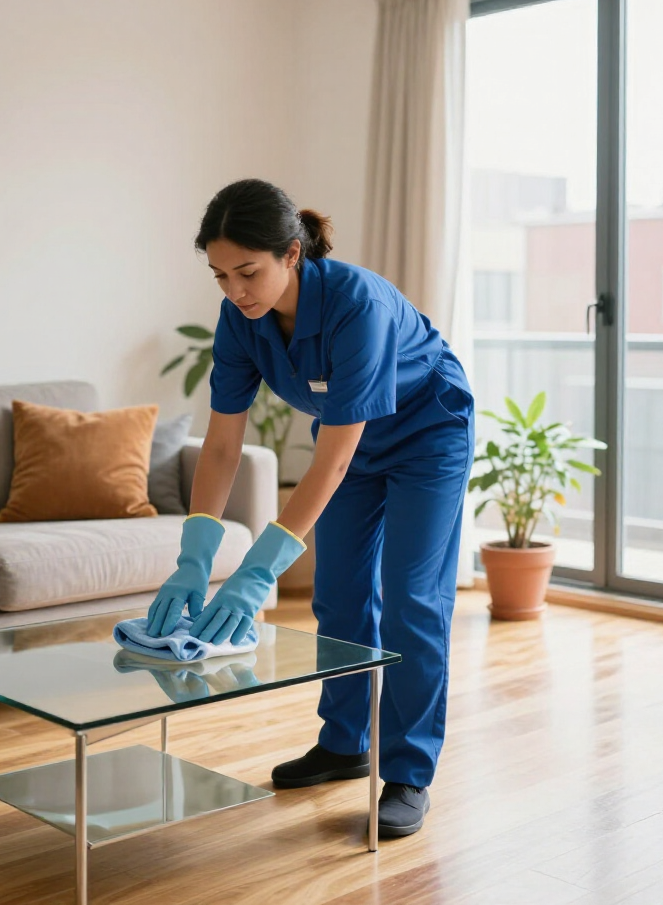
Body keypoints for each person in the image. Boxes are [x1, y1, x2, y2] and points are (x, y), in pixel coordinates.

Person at [147, 178, 474, 837]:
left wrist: (261, 568)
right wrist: (195, 555)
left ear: (292, 254)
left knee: (411, 597)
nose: (236, 289)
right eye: (219, 275)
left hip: (426, 435)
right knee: (340, 594)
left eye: (248, 271)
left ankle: (408, 772)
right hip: (346, 440)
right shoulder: (242, 321)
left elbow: (332, 457)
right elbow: (220, 445)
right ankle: (345, 743)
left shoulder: (358, 307)